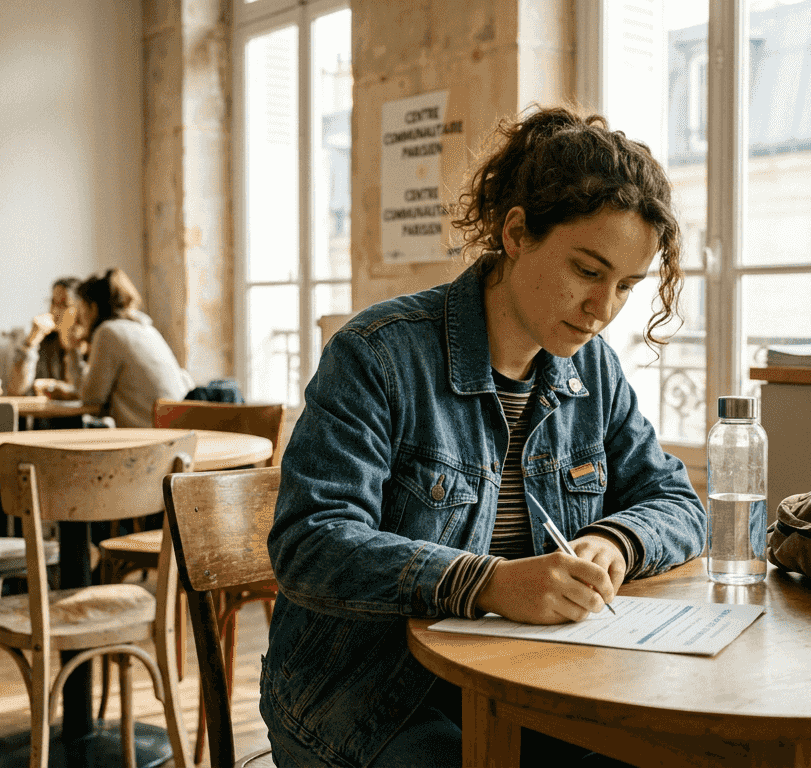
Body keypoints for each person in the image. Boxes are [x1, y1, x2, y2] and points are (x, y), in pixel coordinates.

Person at [260, 106, 706, 768]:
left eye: (627, 286)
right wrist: (488, 582)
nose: (604, 309)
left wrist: (617, 539)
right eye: (588, 270)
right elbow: (310, 543)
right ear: (518, 231)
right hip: (364, 697)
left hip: (533, 682)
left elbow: (677, 501)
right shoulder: (377, 355)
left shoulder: (594, 369)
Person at [69, 268, 193, 428]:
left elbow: (91, 399)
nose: (80, 318)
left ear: (93, 308)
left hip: (149, 437)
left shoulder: (108, 332)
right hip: (177, 430)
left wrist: (73, 350)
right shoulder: (145, 328)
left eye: (82, 310)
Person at [5, 277, 84, 397]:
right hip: (45, 414)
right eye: (53, 302)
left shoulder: (87, 343)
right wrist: (30, 342)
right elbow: (15, 390)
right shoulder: (44, 339)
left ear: (80, 309)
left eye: (63, 304)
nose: (55, 310)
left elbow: (87, 392)